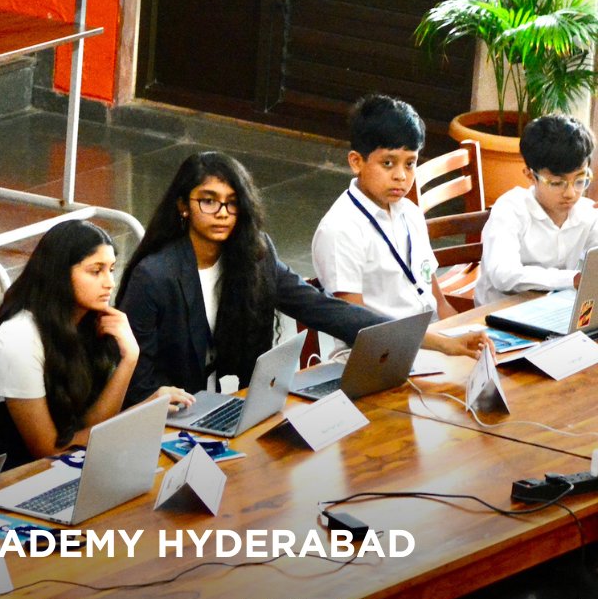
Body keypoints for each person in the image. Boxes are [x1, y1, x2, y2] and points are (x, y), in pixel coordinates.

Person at [117, 151, 485, 406]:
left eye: (233, 202)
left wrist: (438, 341)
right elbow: (137, 381)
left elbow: (328, 311)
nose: (223, 213)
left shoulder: (256, 255)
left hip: (236, 406)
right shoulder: (155, 277)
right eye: (208, 201)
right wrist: (163, 400)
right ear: (183, 205)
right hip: (171, 419)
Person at [0, 220, 192, 471]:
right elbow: (47, 450)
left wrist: (130, 357)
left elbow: (89, 427)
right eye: (95, 271)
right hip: (5, 476)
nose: (110, 283)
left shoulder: (89, 322)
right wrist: (144, 410)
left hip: (63, 464)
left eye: (111, 269)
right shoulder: (20, 335)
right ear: (59, 274)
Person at [312, 95, 459, 326]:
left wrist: (464, 337)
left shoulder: (410, 213)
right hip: (380, 353)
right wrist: (441, 345)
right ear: (356, 162)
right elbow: (358, 327)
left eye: (410, 164)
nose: (401, 176)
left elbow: (439, 303)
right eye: (388, 163)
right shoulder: (340, 231)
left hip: (430, 339)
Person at [475, 113, 598, 305]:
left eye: (580, 181)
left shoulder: (587, 214)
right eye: (557, 183)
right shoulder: (511, 210)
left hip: (556, 309)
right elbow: (504, 275)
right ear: (530, 175)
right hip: (500, 314)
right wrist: (571, 279)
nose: (571, 193)